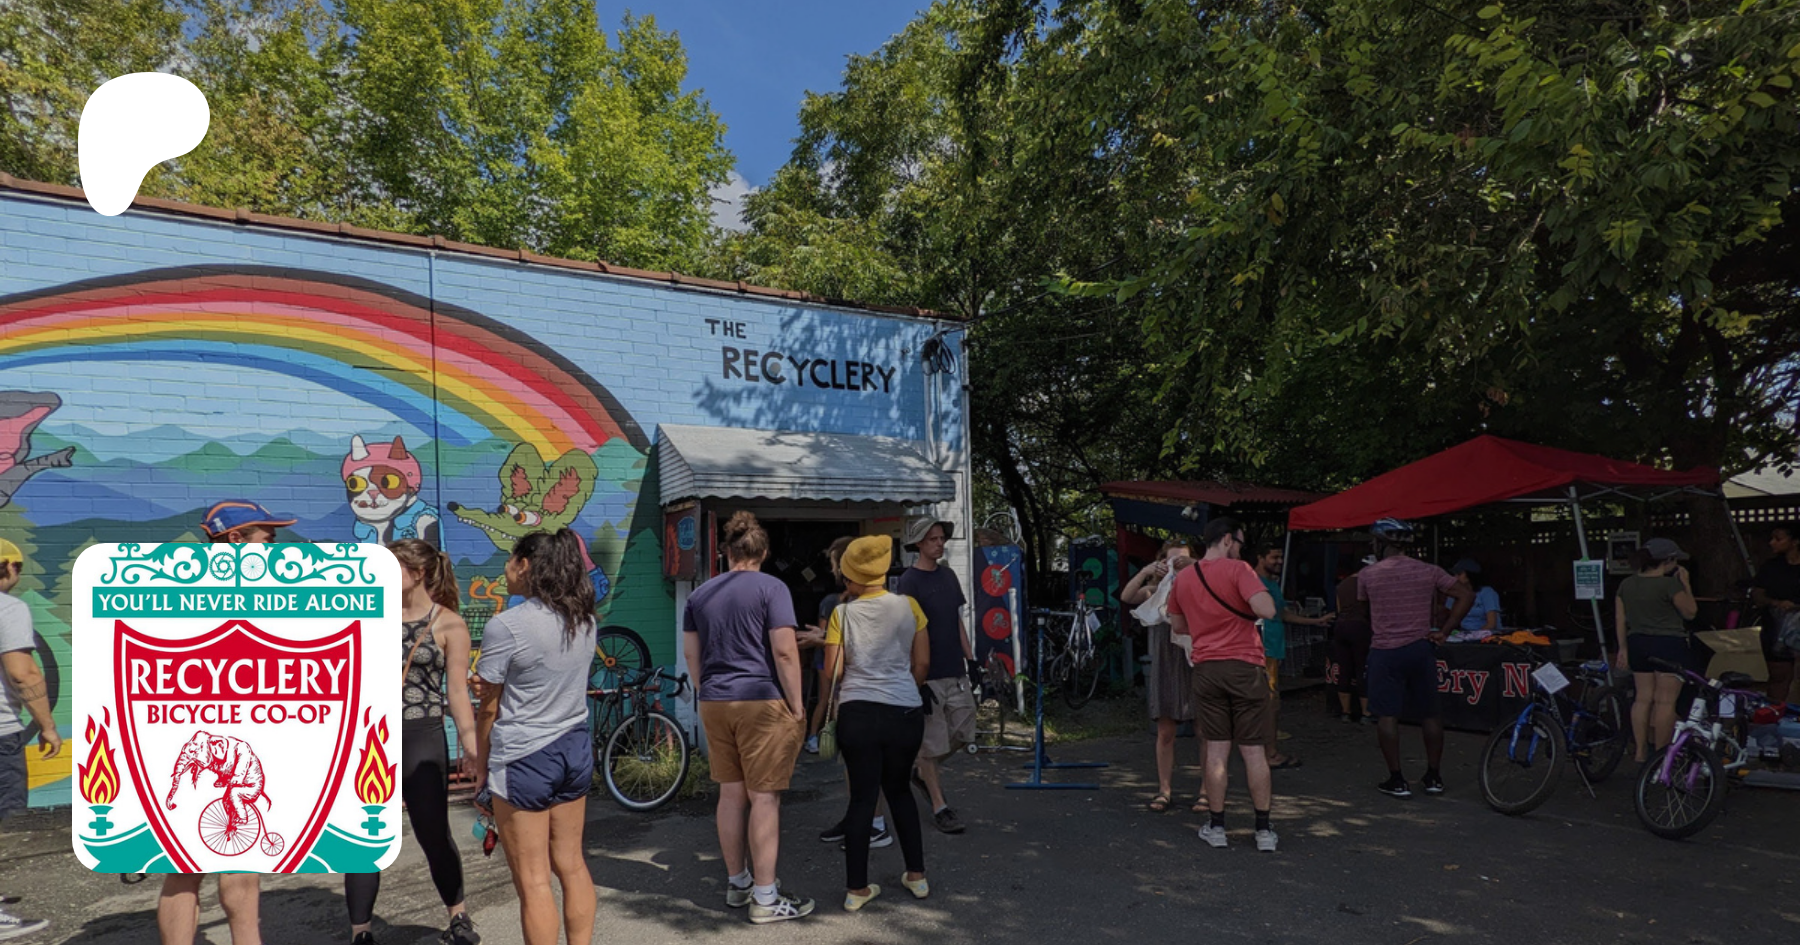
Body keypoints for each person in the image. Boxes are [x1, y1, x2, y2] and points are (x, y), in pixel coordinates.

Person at [156, 502, 289, 945]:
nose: (274, 548)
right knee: (204, 867)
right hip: (204, 741)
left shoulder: (172, 588)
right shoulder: (258, 595)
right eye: (267, 539)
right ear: (236, 539)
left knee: (199, 866)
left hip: (220, 741)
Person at [343, 539, 480, 945]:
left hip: (423, 735)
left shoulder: (449, 624)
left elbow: (457, 692)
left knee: (433, 832)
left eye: (393, 566)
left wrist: (471, 746)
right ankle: (361, 932)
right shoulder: (368, 616)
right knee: (362, 838)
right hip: (370, 738)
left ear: (418, 573)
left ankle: (459, 917)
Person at [682, 512, 813, 924]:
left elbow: (691, 653)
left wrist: (706, 690)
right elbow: (785, 651)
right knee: (765, 797)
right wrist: (797, 704)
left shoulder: (699, 595)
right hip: (760, 700)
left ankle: (738, 882)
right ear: (764, 552)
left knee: (731, 794)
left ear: (727, 551)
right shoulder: (773, 588)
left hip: (715, 700)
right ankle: (766, 897)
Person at [820, 536, 932, 912]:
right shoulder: (909, 606)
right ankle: (917, 876)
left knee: (862, 798)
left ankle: (856, 889)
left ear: (851, 574)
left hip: (858, 713)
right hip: (905, 712)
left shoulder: (842, 614)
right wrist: (904, 688)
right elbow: (922, 664)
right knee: (900, 791)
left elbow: (833, 672)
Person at [1166, 518, 1281, 852]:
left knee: (1216, 749)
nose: (1241, 550)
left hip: (1206, 669)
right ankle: (1263, 831)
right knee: (1253, 751)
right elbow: (1267, 610)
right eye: (1240, 543)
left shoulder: (1184, 578)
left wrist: (1208, 625)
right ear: (1228, 539)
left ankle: (1217, 827)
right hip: (1245, 667)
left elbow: (1178, 625)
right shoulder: (1239, 569)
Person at [1357, 518, 1473, 799]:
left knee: (1387, 715)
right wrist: (1445, 631)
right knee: (1430, 713)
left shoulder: (1367, 575)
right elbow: (1466, 595)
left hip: (1385, 651)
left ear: (1380, 544)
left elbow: (1364, 613)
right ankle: (1434, 776)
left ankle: (1397, 779)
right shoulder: (1429, 571)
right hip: (1420, 649)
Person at [895, 518, 974, 835]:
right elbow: (906, 630)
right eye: (932, 539)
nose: (939, 544)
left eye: (941, 538)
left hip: (955, 668)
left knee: (964, 729)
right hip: (928, 672)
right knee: (930, 743)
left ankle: (920, 771)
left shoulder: (949, 575)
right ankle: (940, 806)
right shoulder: (909, 581)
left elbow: (956, 620)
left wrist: (972, 659)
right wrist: (917, 676)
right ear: (918, 544)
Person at [0, 538, 59, 940]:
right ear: (6, 566)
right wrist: (47, 726)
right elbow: (23, 673)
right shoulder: (9, 608)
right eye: (17, 566)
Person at [1120, 539, 1196, 812]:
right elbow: (1127, 596)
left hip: (1195, 661)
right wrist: (1145, 571)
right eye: (1171, 561)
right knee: (1165, 731)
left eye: (1182, 560)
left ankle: (1207, 792)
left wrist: (1196, 567)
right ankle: (1164, 790)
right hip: (1165, 664)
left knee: (1206, 730)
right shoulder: (1155, 592)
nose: (1176, 566)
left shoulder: (1200, 588)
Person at [1615, 538, 1699, 764]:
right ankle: (1661, 756)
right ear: (1668, 560)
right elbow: (1690, 612)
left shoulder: (1626, 584)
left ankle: (1640, 751)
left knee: (1642, 699)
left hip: (1637, 642)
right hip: (1668, 644)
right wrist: (1686, 584)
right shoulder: (1669, 585)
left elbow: (1620, 619)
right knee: (1665, 702)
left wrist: (1622, 648)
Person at [1251, 544, 1332, 769]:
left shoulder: (1272, 584)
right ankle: (1269, 753)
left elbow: (1282, 614)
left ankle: (1263, 750)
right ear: (1260, 557)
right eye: (1274, 557)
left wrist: (1315, 621)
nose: (1279, 561)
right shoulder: (1253, 582)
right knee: (1270, 702)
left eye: (1281, 557)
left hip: (1273, 649)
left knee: (1269, 701)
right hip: (1262, 649)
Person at [804, 537, 855, 755]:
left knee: (837, 699)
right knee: (826, 698)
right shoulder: (830, 602)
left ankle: (836, 738)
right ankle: (813, 736)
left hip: (843, 656)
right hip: (825, 657)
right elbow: (824, 632)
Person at [1750, 522, 1799, 704]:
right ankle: (1774, 712)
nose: (1772, 543)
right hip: (1776, 627)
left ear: (1795, 541)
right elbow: (1758, 594)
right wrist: (1776, 603)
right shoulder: (1771, 567)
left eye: (1778, 539)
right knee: (1779, 675)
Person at [1331, 557, 1376, 723]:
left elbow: (1339, 609)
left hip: (1341, 627)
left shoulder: (1341, 585)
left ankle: (1346, 711)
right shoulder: (1367, 584)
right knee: (1361, 668)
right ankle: (1366, 713)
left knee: (1344, 669)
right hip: (1360, 627)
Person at [1444, 559, 1501, 641]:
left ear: (1470, 575)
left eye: (1459, 574)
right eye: (1454, 574)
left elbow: (1491, 623)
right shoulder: (1454, 593)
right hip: (1462, 635)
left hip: (1487, 637)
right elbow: (1449, 619)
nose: (1455, 577)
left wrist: (1474, 636)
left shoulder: (1487, 592)